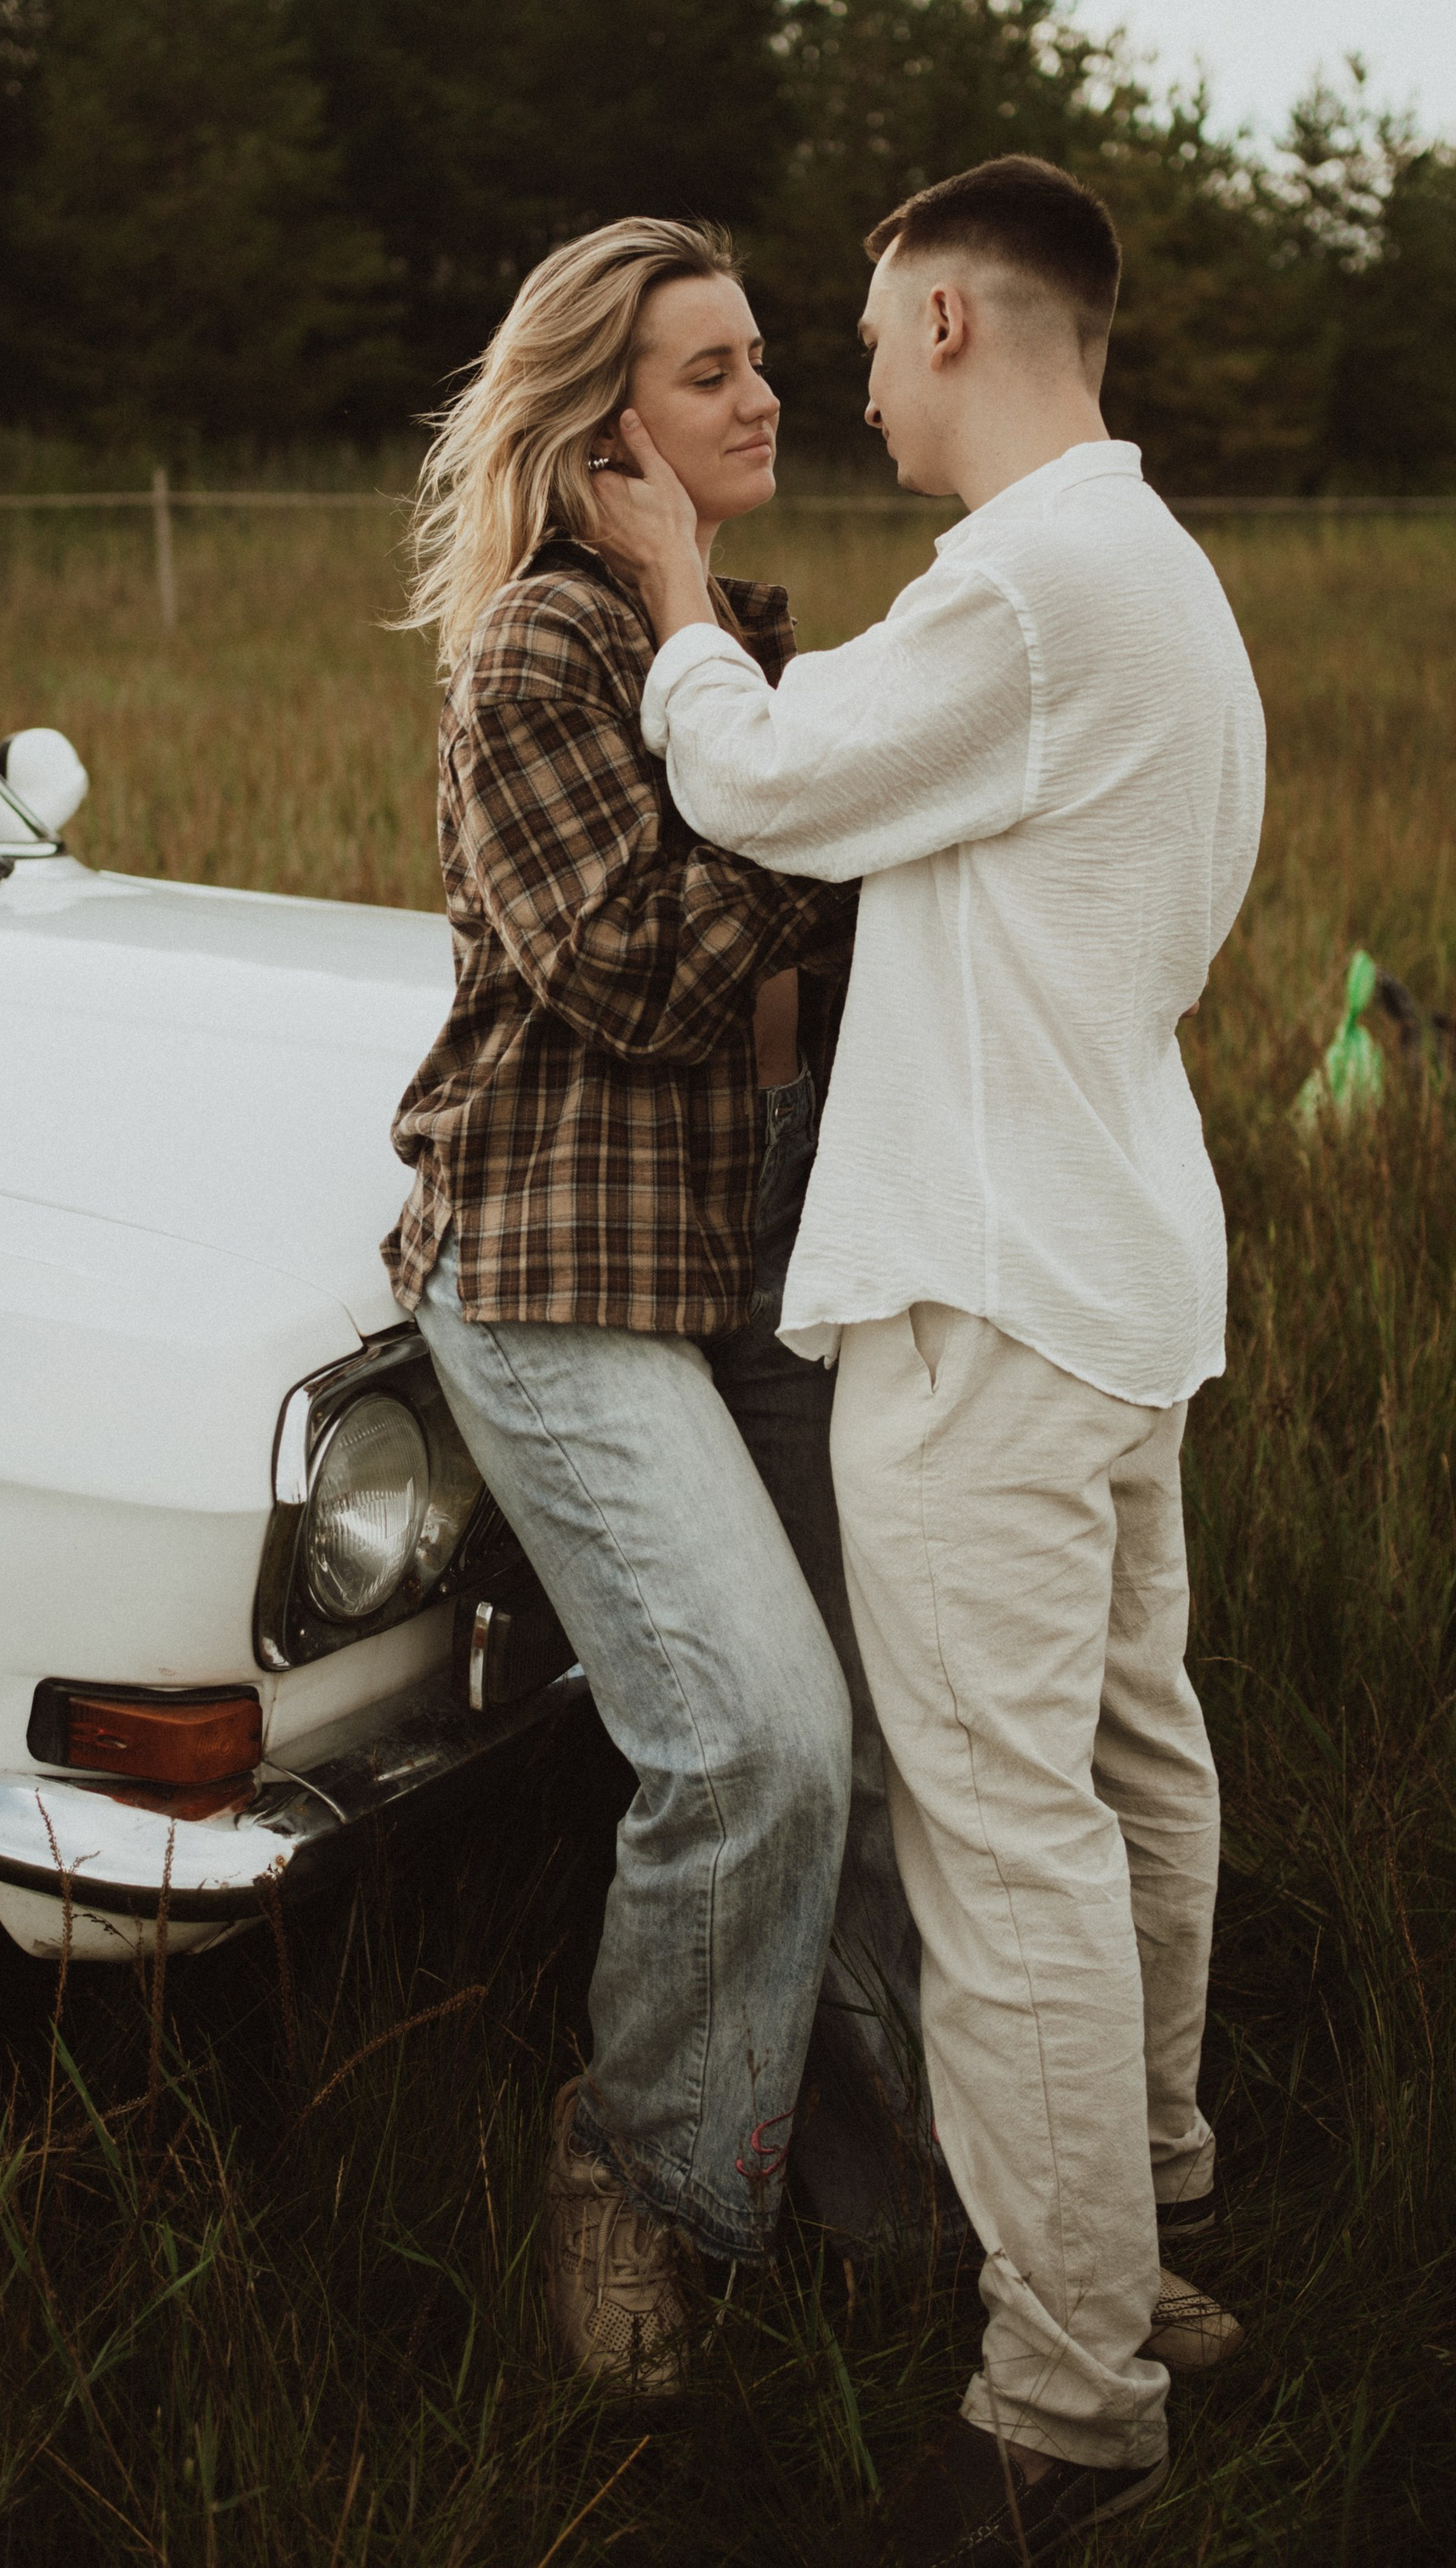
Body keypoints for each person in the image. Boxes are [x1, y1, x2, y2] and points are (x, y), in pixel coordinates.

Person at [589, 157, 1266, 2562]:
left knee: (1000, 1843)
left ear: (958, 319)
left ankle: (1063, 2401)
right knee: (1129, 1769)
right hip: (1114, 1264)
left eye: (868, 334)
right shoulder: (1159, 574)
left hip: (987, 1290)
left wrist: (674, 599)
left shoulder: (1030, 587)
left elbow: (759, 775)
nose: (848, 380)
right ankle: (1146, 2221)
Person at [382, 213, 930, 2396]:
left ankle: (903, 2215)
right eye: (711, 372)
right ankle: (640, 2172)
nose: (766, 395)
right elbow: (628, 972)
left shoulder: (738, 656)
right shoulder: (539, 652)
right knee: (756, 1738)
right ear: (605, 431)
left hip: (753, 1252)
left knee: (872, 1750)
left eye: (765, 357)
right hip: (554, 1269)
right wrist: (823, 817)